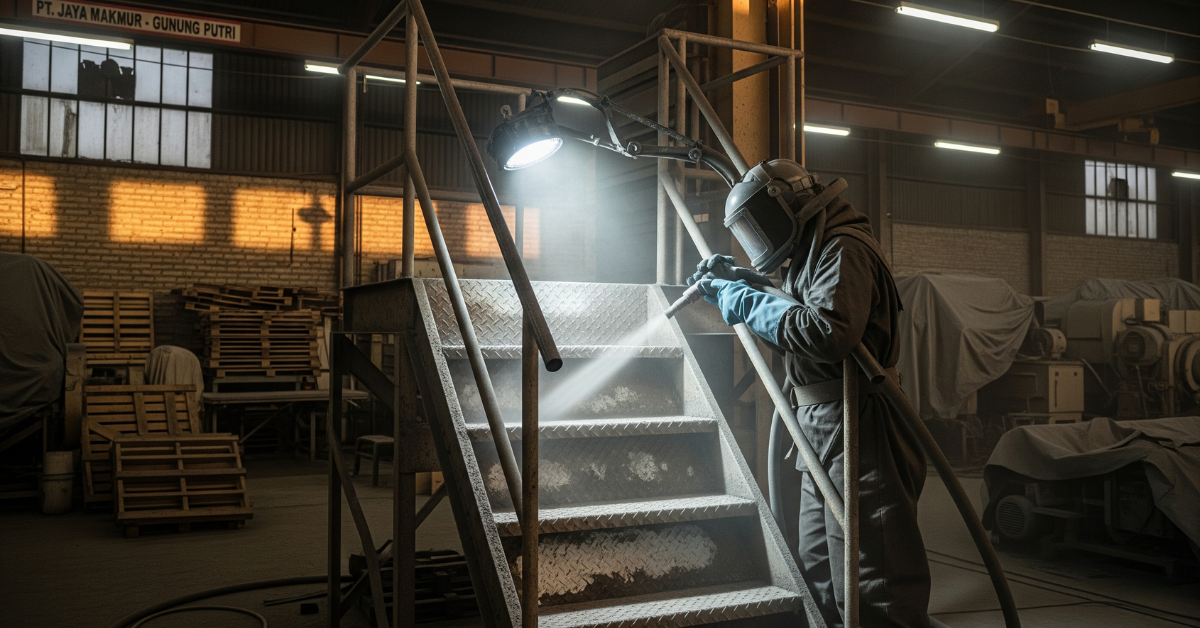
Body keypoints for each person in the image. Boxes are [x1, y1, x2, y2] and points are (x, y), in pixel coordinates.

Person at [688, 159, 931, 628]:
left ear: (786, 208)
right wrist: (746, 280)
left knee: (871, 577)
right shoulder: (816, 251)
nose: (760, 240)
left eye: (759, 228)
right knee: (820, 565)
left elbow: (826, 330)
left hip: (861, 422)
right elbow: (802, 302)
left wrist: (746, 301)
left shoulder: (844, 248)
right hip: (823, 422)